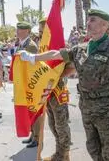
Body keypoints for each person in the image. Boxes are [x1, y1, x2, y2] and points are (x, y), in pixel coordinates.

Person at [20, 9, 109, 160]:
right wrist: (33, 57)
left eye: (93, 20)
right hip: (86, 107)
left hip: (106, 110)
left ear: (105, 25)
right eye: (88, 20)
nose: (88, 23)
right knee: (93, 148)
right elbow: (56, 54)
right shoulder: (81, 48)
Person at [38, 17, 73, 161]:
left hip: (57, 90)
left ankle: (64, 155)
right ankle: (59, 153)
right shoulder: (42, 45)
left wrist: (57, 76)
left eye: (44, 30)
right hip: (46, 90)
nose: (41, 34)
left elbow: (71, 68)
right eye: (40, 31)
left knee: (61, 124)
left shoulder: (62, 45)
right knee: (52, 123)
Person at [16, 21, 41, 148]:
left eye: (20, 29)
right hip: (24, 82)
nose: (17, 31)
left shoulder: (30, 46)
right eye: (17, 29)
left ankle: (37, 137)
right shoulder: (22, 44)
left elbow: (32, 66)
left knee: (34, 111)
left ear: (26, 31)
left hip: (30, 83)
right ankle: (32, 135)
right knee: (28, 111)